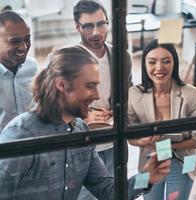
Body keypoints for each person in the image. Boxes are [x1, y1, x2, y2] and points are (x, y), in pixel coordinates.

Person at [0, 45, 171, 200]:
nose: (96, 95)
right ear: (62, 84)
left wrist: (146, 178)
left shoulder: (81, 131)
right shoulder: (20, 134)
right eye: (89, 86)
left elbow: (107, 190)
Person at [128, 39, 196, 200]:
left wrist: (164, 147)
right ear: (144, 65)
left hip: (185, 162)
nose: (159, 67)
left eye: (166, 61)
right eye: (152, 62)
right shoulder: (134, 94)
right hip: (148, 163)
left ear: (174, 63)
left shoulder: (190, 93)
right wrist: (142, 141)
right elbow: (130, 137)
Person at [72, 1, 133, 199]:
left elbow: (128, 95)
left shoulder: (122, 57)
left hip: (114, 145)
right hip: (81, 148)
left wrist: (120, 110)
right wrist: (85, 115)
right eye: (88, 26)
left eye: (101, 24)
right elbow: (51, 107)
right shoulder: (65, 59)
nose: (96, 31)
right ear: (77, 26)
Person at [0, 10, 38, 144]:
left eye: (27, 39)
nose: (24, 47)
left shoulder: (33, 67)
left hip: (36, 154)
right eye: (15, 41)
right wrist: (12, 145)